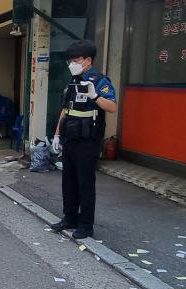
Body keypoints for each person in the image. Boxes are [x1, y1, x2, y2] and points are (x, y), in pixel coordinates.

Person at [50, 40, 117, 240]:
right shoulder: (73, 80)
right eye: (70, 60)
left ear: (88, 60)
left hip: (88, 140)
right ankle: (69, 217)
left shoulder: (99, 81)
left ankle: (86, 225)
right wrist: (56, 134)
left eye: (76, 60)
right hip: (70, 137)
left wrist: (94, 96)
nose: (72, 64)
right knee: (68, 180)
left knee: (85, 182)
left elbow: (113, 107)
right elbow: (65, 109)